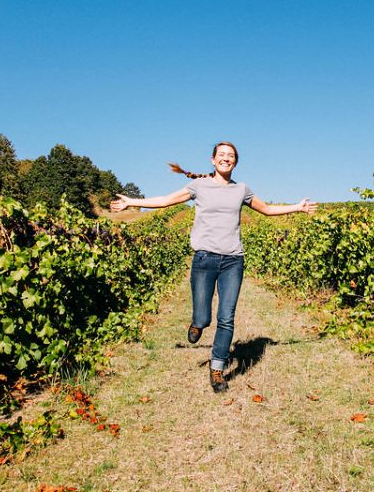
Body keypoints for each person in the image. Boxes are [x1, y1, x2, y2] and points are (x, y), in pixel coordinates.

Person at [109, 141, 317, 392]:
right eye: (222, 155)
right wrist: (132, 202)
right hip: (204, 260)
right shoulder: (199, 185)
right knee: (204, 317)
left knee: (226, 318)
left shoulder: (242, 190)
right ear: (213, 160)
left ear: (235, 162)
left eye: (231, 156)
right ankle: (197, 323)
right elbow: (166, 200)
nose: (226, 159)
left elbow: (267, 209)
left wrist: (298, 206)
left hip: (232, 261)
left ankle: (217, 369)